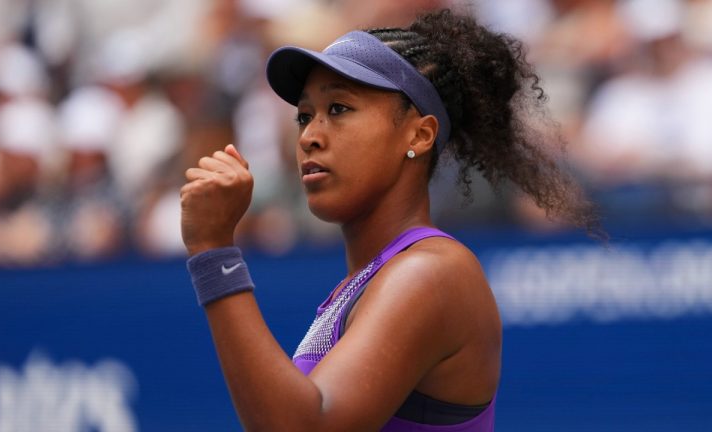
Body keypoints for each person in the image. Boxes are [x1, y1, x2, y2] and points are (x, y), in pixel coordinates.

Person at [180, 9, 599, 431]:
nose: (309, 135)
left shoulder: (432, 272)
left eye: (339, 108)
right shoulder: (369, 282)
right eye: (304, 116)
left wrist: (215, 252)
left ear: (418, 135)